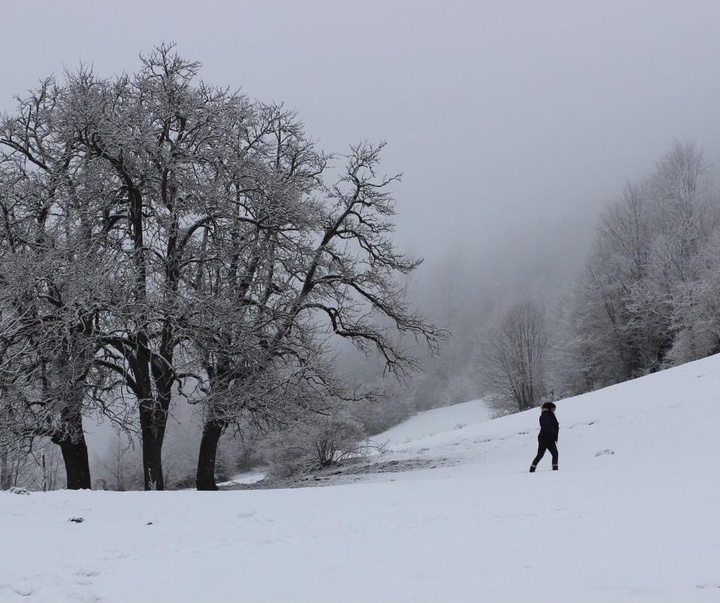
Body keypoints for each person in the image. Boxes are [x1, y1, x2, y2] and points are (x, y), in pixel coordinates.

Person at [529, 402, 559, 472]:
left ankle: (555, 469)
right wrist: (552, 432)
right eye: (553, 408)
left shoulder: (550, 415)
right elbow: (546, 426)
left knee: (555, 453)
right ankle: (532, 469)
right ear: (549, 408)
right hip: (544, 438)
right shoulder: (545, 415)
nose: (554, 410)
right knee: (540, 454)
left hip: (550, 438)